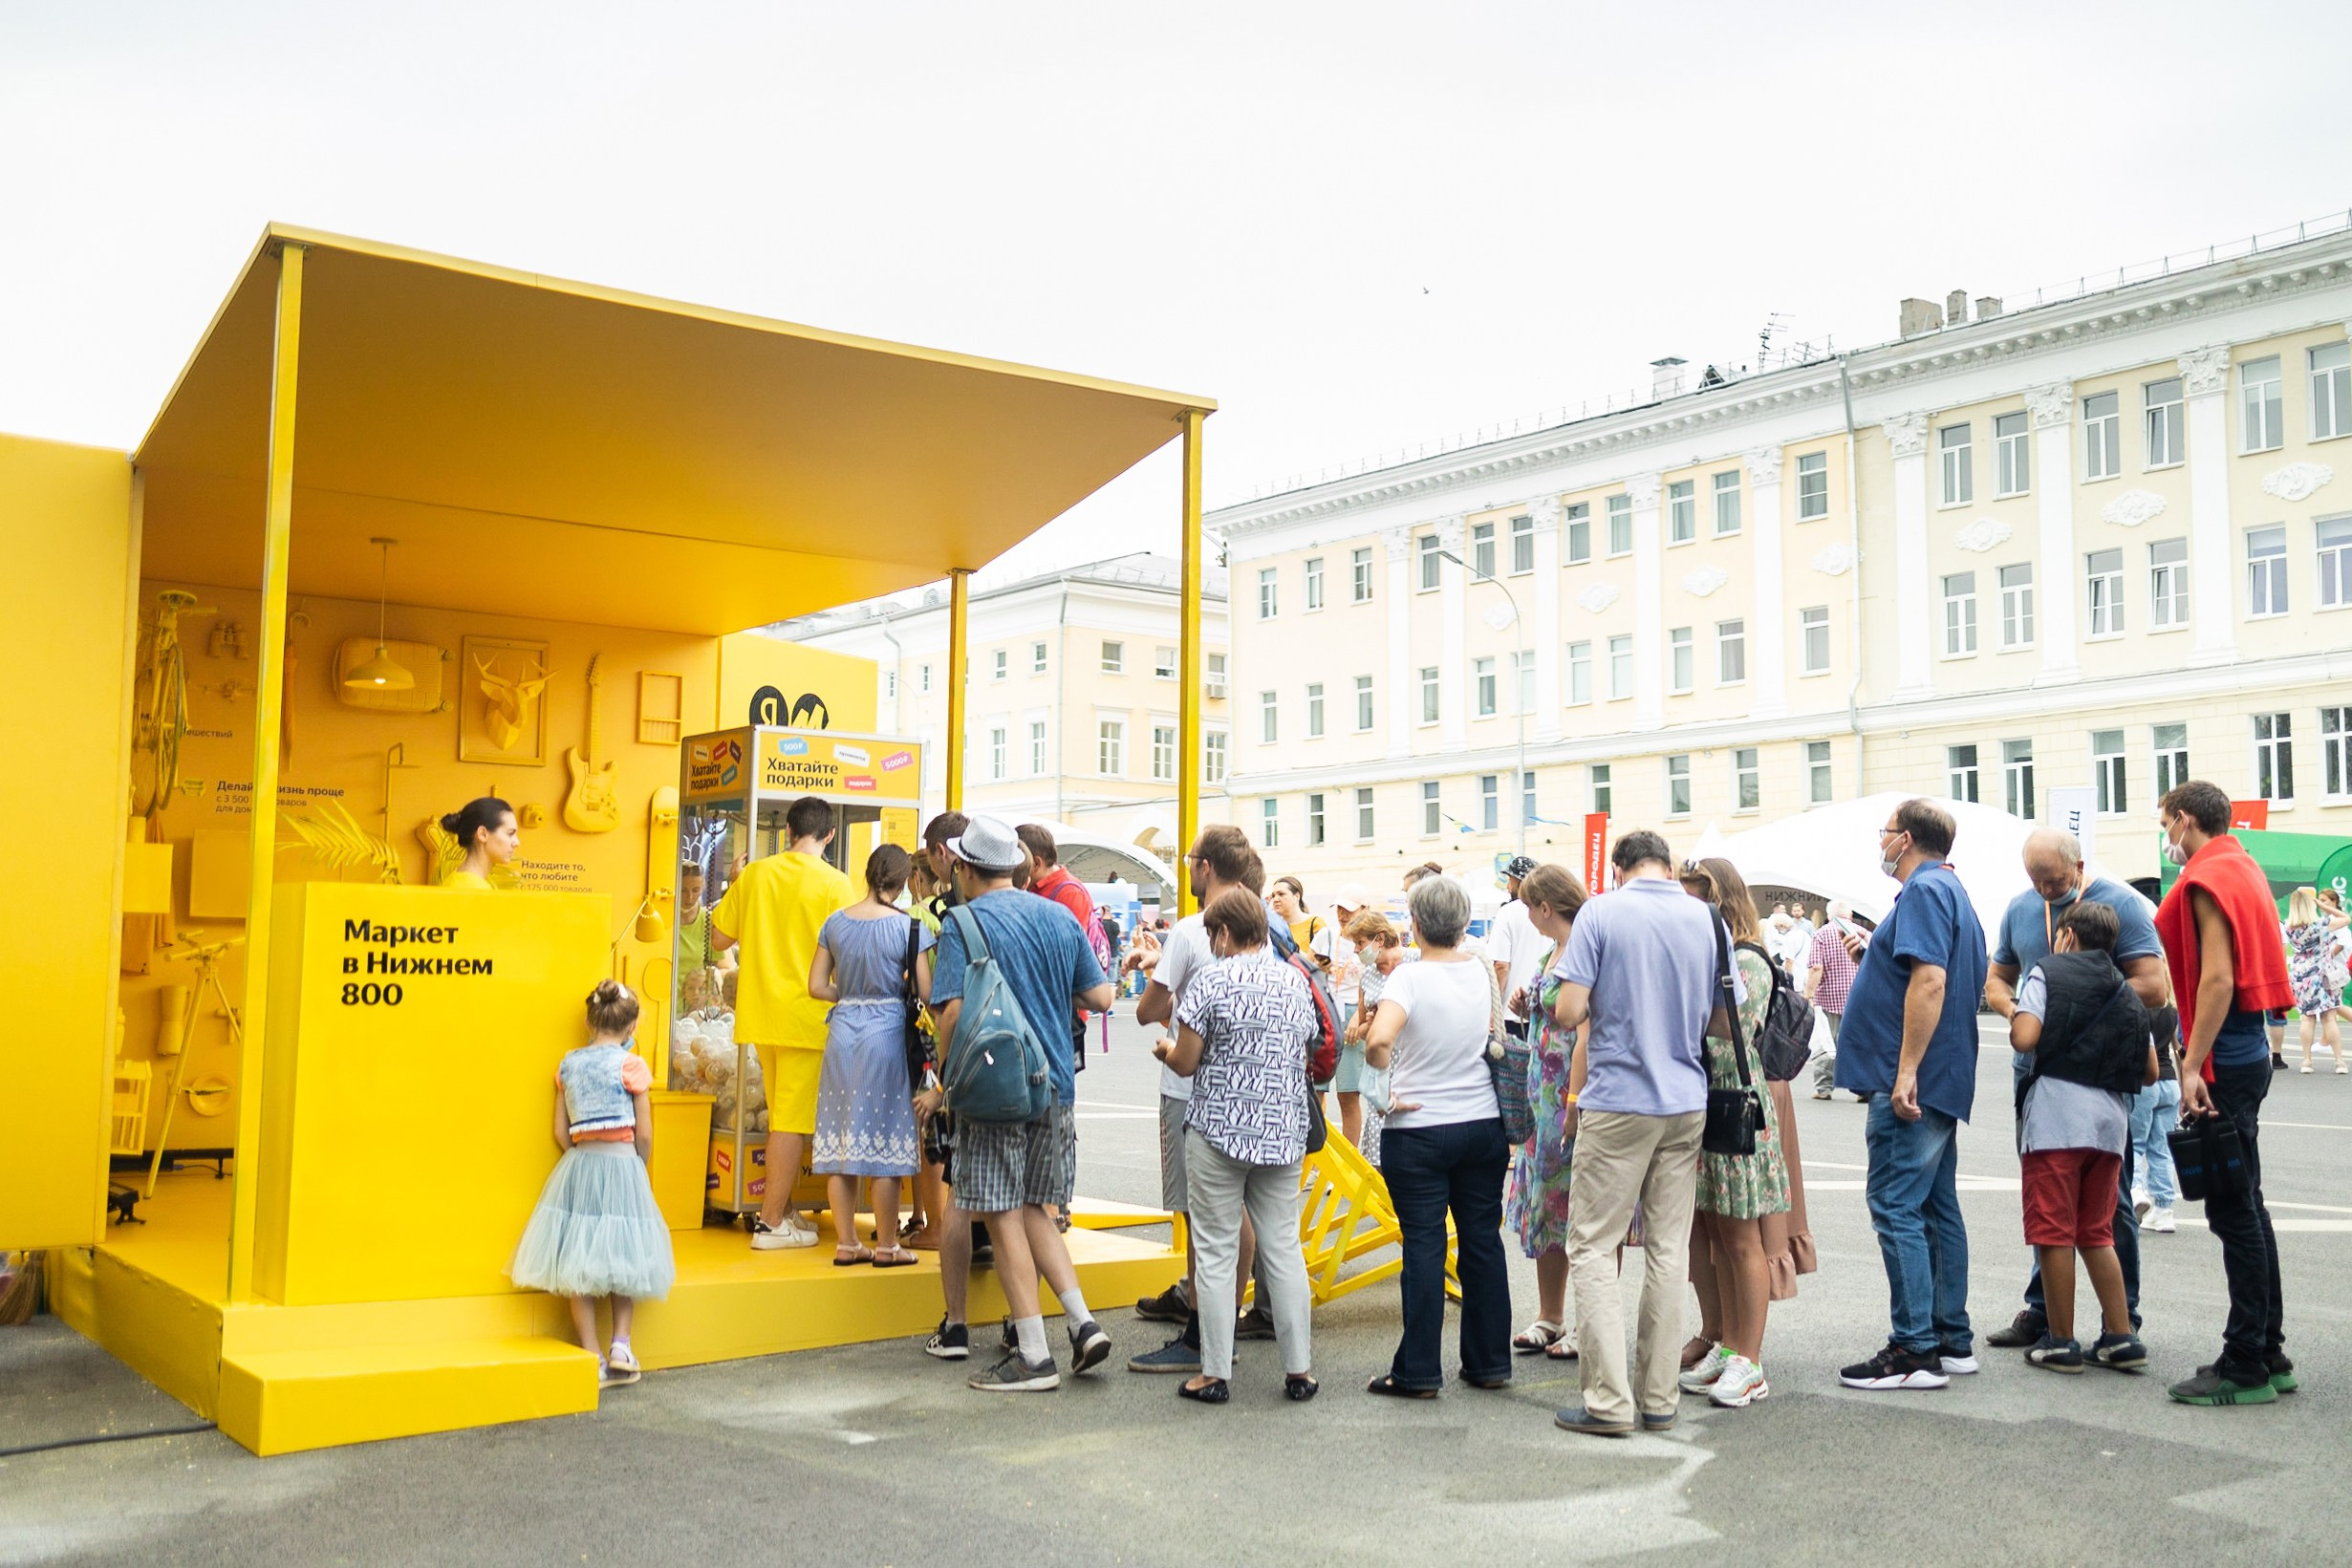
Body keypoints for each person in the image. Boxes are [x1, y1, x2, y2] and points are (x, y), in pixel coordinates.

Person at [924, 814, 1115, 1392]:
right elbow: (1102, 996)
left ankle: (1034, 1354)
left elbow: (951, 1012)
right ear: (1017, 866)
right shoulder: (1058, 916)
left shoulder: (962, 923)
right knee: (1037, 1207)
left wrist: (941, 1087)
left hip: (994, 1089)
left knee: (1003, 1210)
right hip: (1054, 1083)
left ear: (963, 867)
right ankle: (1082, 1325)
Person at [1547, 830, 1723, 1438]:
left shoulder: (1602, 912)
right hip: (1686, 1098)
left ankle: (1608, 1402)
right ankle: (1658, 1398)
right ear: (1668, 866)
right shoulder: (1706, 918)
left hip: (1619, 1099)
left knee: (1594, 1246)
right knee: (1669, 1249)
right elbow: (1723, 1016)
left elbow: (1570, 1012)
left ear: (1619, 867)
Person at [1982, 828, 2169, 1351]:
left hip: (2089, 1078)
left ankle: (2117, 1318)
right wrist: (2018, 1005)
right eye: (2035, 879)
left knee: (2094, 1211)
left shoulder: (2120, 906)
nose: (2044, 889)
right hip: (2044, 1079)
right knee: (2060, 1208)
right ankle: (2050, 1315)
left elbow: (2154, 985)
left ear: (2080, 866)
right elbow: (1996, 980)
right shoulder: (2020, 909)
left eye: (2055, 879)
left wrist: (2064, 1001)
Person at [1835, 799, 1988, 1392]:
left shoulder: (1924, 891)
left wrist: (1904, 1072)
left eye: (1887, 834)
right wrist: (1874, 952)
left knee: (1896, 1204)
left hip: (1917, 1079)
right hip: (1945, 1075)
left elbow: (1931, 979)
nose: (1882, 843)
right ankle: (1950, 1339)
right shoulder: (1952, 891)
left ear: (1908, 839)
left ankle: (1913, 1350)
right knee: (1934, 1206)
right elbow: (1922, 970)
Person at [2155, 781, 2297, 1407]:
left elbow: (2216, 977)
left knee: (2232, 1210)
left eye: (2165, 823)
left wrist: (2190, 1065)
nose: (2166, 837)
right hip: (2248, 1056)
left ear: (2184, 819)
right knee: (2248, 1203)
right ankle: (2268, 1348)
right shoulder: (2241, 864)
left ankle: (2244, 1362)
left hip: (2223, 1061)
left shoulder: (2207, 876)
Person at [1155, 888, 1319, 1405]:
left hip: (1220, 1130)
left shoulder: (1211, 980)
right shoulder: (1296, 982)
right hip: (1282, 1132)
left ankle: (1214, 1373)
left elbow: (1185, 1061)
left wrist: (1165, 1048)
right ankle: (1299, 1371)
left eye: (1212, 935)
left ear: (1223, 933)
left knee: (1217, 1249)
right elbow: (1308, 1043)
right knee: (1284, 1249)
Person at [1126, 825, 1267, 1373]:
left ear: (1205, 868)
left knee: (1201, 1215)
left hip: (1191, 1088)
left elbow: (1150, 1011)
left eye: (1189, 860)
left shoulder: (1191, 931)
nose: (1187, 867)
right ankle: (1224, 1321)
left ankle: (1201, 1335)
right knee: (1242, 1213)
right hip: (1251, 1091)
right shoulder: (1264, 925)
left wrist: (1156, 984)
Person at [1363, 874, 1511, 1398]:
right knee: (1481, 1241)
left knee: (1423, 1246)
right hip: (1482, 1123)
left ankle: (1419, 1370)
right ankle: (1490, 1361)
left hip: (1420, 1126)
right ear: (1464, 923)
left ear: (1417, 924)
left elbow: (1379, 1040)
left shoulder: (1409, 978)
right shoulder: (1480, 973)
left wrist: (1385, 1088)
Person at [2007, 901, 2155, 1373]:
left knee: (2052, 1230)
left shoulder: (2047, 973)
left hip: (2056, 1119)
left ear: (2067, 936)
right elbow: (2150, 1070)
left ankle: (2061, 1340)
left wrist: (2016, 1011)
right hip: (2110, 1125)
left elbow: (2025, 1038)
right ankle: (2119, 1336)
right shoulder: (2126, 989)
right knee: (2097, 1230)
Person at [709, 797, 859, 1250]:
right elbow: (850, 954)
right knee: (791, 1123)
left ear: (788, 830)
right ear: (830, 835)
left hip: (761, 1013)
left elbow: (718, 937)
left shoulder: (755, 874)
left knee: (782, 1116)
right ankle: (771, 1221)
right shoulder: (836, 883)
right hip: (809, 1018)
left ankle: (784, 1210)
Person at [509, 979, 675, 1387]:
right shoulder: (631, 1067)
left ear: (588, 1020)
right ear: (633, 1027)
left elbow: (560, 1132)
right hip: (622, 1165)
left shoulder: (569, 1065)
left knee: (575, 1263)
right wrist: (639, 1162)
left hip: (580, 1166)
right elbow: (646, 1131)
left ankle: (590, 1353)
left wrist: (580, 1152)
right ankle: (621, 1345)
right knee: (626, 1258)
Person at [1675, 857, 1792, 1410]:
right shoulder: (1716, 957)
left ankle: (1751, 1360)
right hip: (1710, 1106)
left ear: (1719, 901)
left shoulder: (1745, 961)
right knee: (1719, 1237)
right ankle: (1727, 1343)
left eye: (1696, 898)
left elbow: (1732, 1036)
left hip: (1735, 1107)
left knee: (1743, 1240)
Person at [808, 844, 931, 1267]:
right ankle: (887, 1246)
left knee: (843, 1135)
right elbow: (926, 992)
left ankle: (846, 1243)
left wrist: (851, 996)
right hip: (887, 1031)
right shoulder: (909, 927)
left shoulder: (835, 923)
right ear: (902, 882)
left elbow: (816, 986)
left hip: (842, 1029)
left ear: (867, 874)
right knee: (887, 1138)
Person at [1500, 864, 1589, 1364]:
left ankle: (1585, 1320)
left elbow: (1585, 1032)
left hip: (1567, 1095)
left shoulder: (1582, 946)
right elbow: (1546, 1007)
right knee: (1546, 1204)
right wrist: (1525, 999)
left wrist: (1574, 1101)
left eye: (1528, 904)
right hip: (1541, 1095)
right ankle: (1550, 1314)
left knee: (1580, 1208)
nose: (1525, 913)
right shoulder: (1550, 950)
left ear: (1545, 907)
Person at [1020, 822, 1103, 1082]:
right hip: (1040, 1006)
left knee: (1052, 1093)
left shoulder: (1069, 892)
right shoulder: (1031, 887)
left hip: (1061, 1012)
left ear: (1035, 863)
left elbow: (1065, 957)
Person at [1340, 909, 1410, 1152]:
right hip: (1382, 1068)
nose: (1357, 950)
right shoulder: (1367, 976)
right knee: (1381, 1148)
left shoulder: (1415, 962)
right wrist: (1370, 1025)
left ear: (1379, 939)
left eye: (1360, 943)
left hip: (1412, 1062)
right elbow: (1362, 1028)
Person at [2126, 1003, 2185, 1235]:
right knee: (2162, 1149)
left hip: (2144, 1081)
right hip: (2170, 1082)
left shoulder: (2134, 1007)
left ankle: (2135, 1190)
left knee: (2134, 1143)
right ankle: (2164, 1210)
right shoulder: (2170, 1010)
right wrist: (2184, 1086)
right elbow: (2179, 1049)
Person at [1806, 901, 1866, 1101]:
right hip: (1858, 997)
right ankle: (1862, 1089)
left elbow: (1816, 967)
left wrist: (1808, 995)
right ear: (1849, 915)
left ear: (1829, 915)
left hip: (1829, 997)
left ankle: (1823, 1088)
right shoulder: (1861, 933)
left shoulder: (1821, 934)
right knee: (1858, 1042)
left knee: (1827, 1042)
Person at [2283, 888, 2346, 1074]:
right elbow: (2346, 918)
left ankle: (2306, 1061)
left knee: (2307, 1018)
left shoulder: (2289, 927)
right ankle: (2339, 1062)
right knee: (2329, 1018)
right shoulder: (2321, 924)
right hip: (2323, 973)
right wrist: (2323, 906)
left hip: (2300, 974)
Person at [1490, 855, 1546, 1040]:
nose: (1508, 886)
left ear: (1519, 881)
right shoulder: (1549, 911)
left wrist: (1493, 1011)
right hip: (1542, 1008)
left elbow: (1501, 966)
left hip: (1512, 1013)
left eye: (1510, 880)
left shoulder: (1507, 912)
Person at [440, 797, 518, 889]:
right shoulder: (470, 887)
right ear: (482, 834)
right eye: (510, 834)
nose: (517, 842)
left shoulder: (461, 881)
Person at [1267, 876, 1334, 973]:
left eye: (1281, 894)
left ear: (1296, 896)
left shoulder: (1315, 924)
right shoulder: (1273, 927)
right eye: (1273, 896)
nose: (1276, 899)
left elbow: (1324, 963)